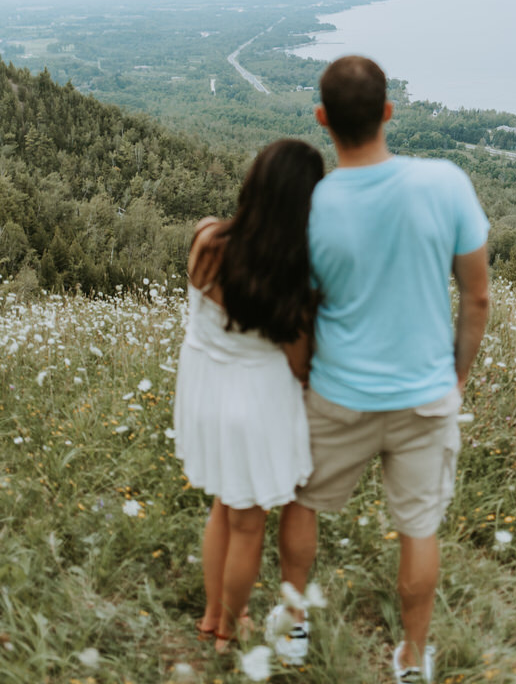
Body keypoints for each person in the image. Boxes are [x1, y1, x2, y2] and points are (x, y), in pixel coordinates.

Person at [271, 57, 489, 683]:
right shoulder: (445, 183)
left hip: (338, 393)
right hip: (424, 397)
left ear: (322, 120)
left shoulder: (310, 207)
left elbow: (299, 316)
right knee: (419, 528)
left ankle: (292, 633)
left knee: (303, 499)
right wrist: (456, 377)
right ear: (389, 112)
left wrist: (304, 375)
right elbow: (476, 297)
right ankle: (413, 660)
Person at [173, 138, 324, 653]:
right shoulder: (291, 280)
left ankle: (212, 613)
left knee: (222, 505)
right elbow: (300, 365)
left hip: (202, 393)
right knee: (247, 525)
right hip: (253, 402)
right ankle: (230, 626)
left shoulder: (206, 239)